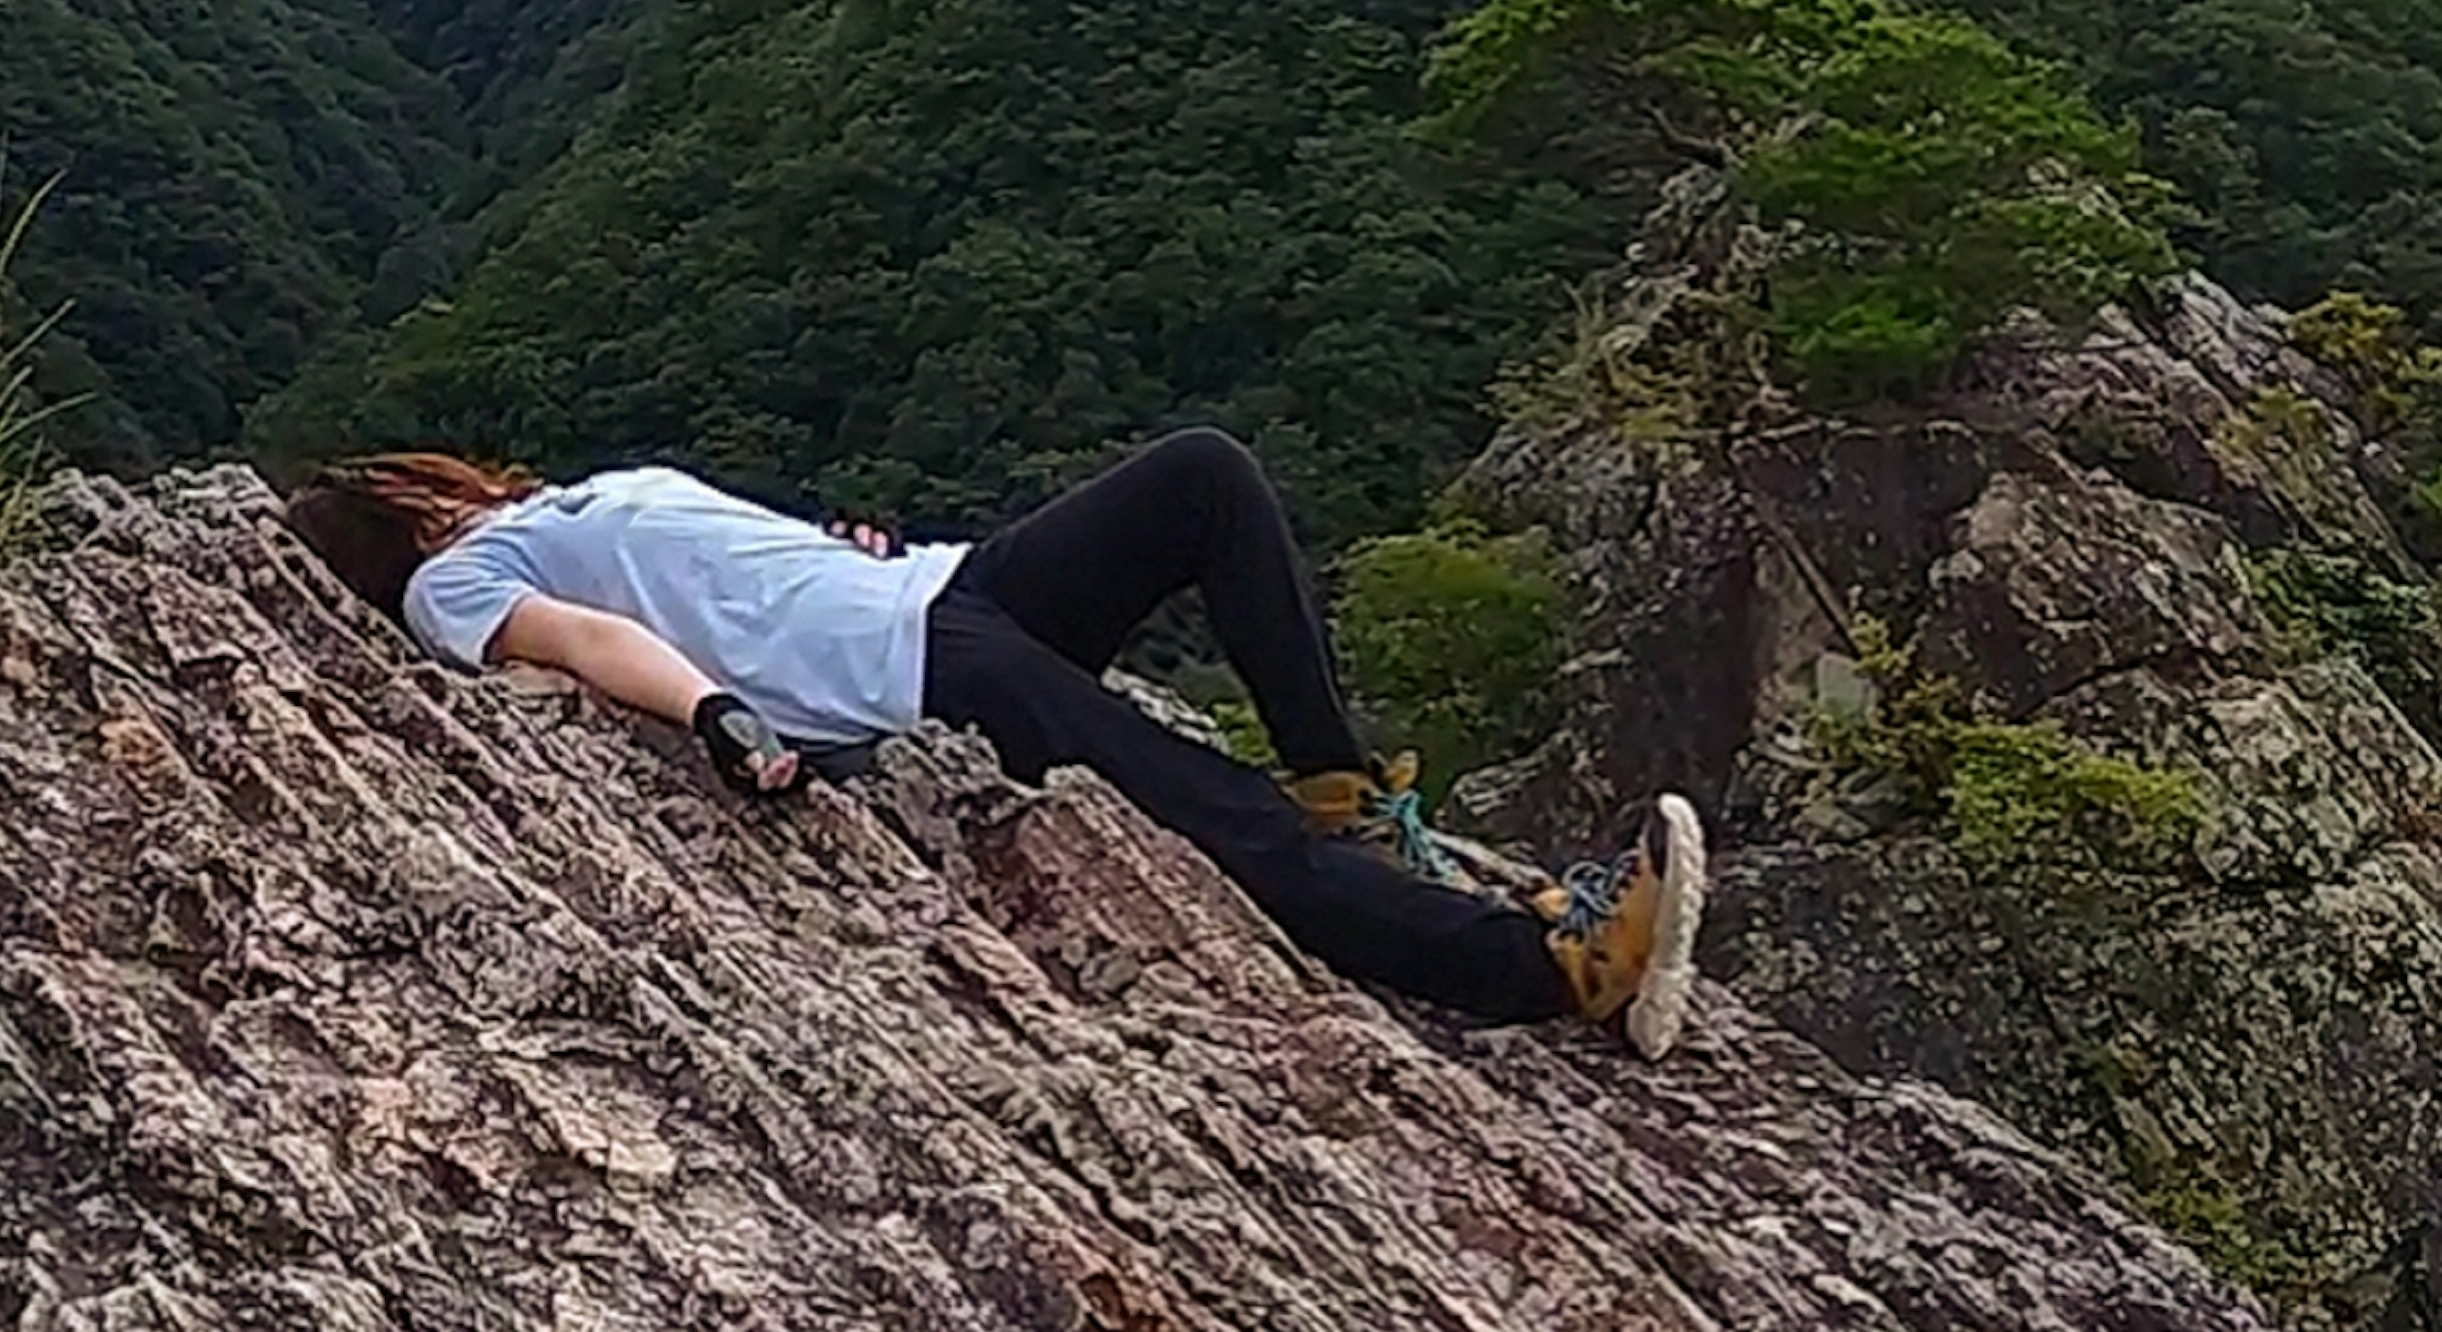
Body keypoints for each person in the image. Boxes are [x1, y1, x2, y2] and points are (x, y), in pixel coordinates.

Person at [282, 430, 1704, 1054]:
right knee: (1217, 823)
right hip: (912, 673)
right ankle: (1552, 970)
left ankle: (1330, 775)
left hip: (947, 588)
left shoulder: (548, 508)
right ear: (410, 510)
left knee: (1204, 480)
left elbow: (725, 562)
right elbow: (589, 645)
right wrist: (715, 713)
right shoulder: (448, 583)